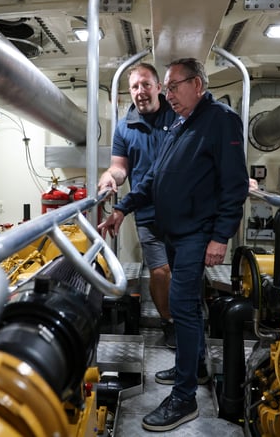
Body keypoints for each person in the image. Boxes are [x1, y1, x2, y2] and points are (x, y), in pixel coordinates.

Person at [98, 58, 249, 432]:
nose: (168, 94)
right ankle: (194, 366)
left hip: (197, 232)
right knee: (188, 307)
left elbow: (234, 184)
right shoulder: (181, 123)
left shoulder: (220, 119)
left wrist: (221, 236)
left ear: (197, 84)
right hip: (174, 231)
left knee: (181, 305)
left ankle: (184, 399)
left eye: (173, 86)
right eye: (166, 88)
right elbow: (152, 178)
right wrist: (122, 208)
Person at [98, 63, 177, 348]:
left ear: (158, 87)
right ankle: (169, 322)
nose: (140, 92)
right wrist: (109, 177)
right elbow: (119, 168)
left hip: (184, 212)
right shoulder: (124, 128)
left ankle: (187, 320)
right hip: (146, 212)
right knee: (160, 271)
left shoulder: (179, 116)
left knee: (184, 271)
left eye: (145, 84)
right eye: (134, 87)